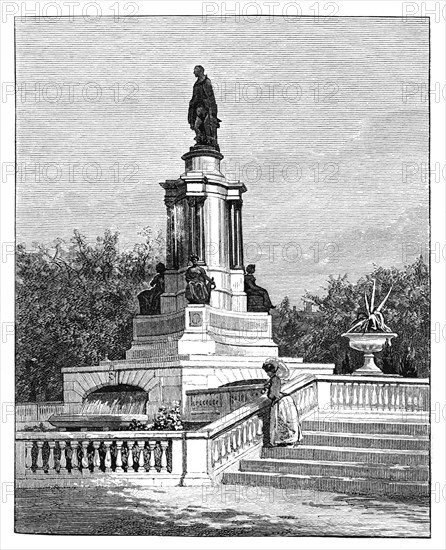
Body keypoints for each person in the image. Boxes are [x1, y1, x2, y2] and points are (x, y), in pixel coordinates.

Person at [262, 357, 303, 447]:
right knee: (289, 420)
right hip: (286, 400)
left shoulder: (275, 379)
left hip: (280, 402)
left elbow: (274, 394)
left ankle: (283, 440)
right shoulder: (278, 378)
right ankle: (290, 439)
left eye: (267, 372)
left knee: (282, 420)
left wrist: (268, 391)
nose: (267, 374)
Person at [188, 65, 221, 150]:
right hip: (199, 110)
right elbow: (194, 98)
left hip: (207, 110)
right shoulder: (196, 85)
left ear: (200, 71)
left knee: (207, 126)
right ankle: (201, 140)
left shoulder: (207, 82)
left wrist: (212, 111)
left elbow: (211, 98)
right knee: (196, 126)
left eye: (195, 71)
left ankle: (210, 143)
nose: (193, 72)